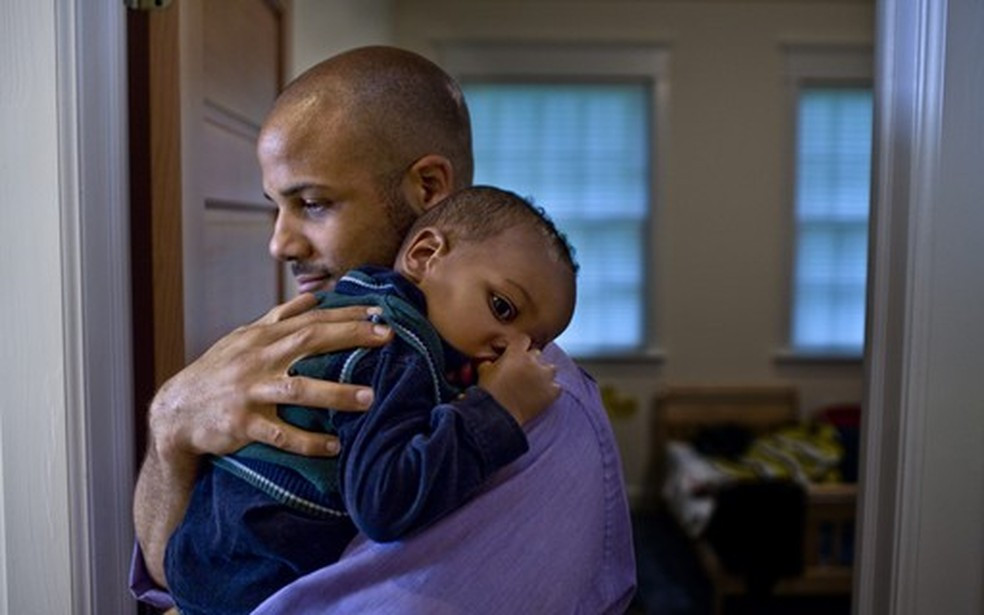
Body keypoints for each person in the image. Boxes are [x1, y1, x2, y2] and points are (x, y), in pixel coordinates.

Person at [131, 45, 636, 614]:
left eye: (314, 203)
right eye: (276, 207)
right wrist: (172, 425)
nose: (280, 244)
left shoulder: (535, 418)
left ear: (427, 188)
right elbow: (168, 580)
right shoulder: (309, 343)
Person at [166, 186, 579, 614]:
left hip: (200, 562)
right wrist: (500, 408)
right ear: (423, 256)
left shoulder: (359, 299)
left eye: (533, 345)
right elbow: (384, 503)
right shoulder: (393, 346)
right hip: (248, 586)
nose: (511, 350)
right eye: (502, 308)